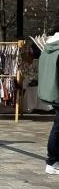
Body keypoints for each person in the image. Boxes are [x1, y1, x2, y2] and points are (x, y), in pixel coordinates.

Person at [38, 28, 59, 175]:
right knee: (58, 127)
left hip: (52, 92)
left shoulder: (47, 48)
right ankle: (52, 161)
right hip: (57, 91)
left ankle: (53, 160)